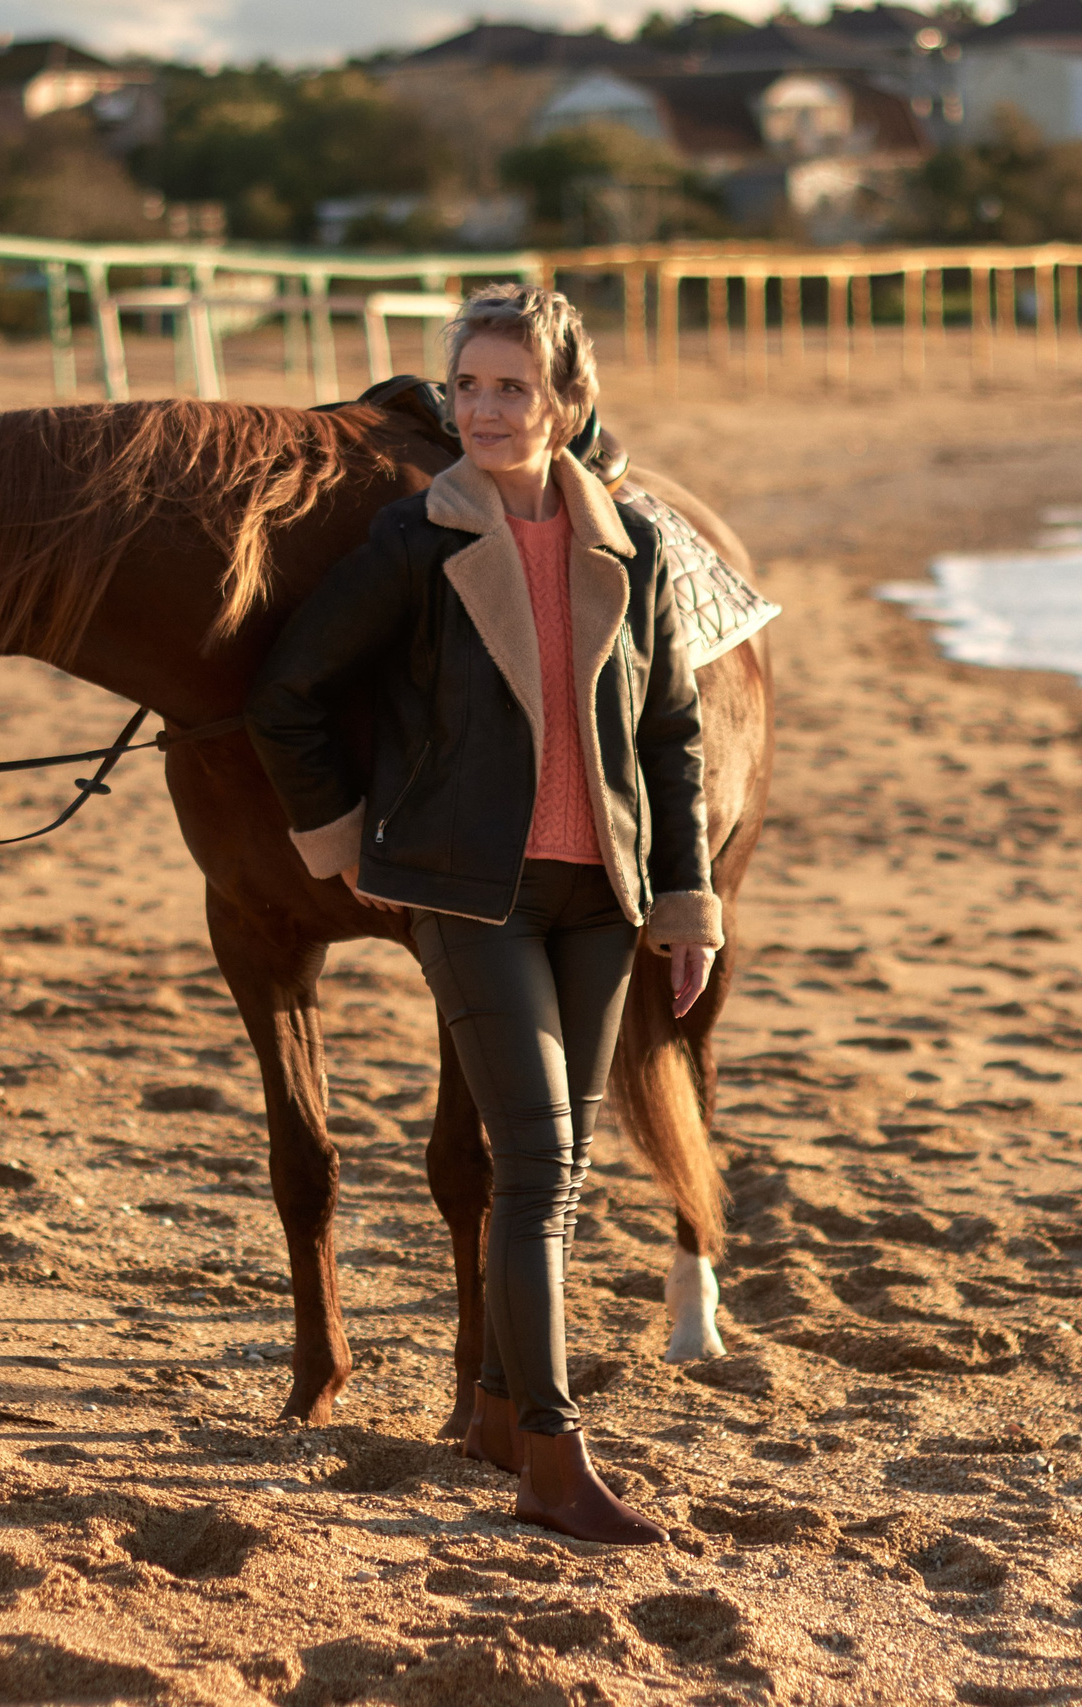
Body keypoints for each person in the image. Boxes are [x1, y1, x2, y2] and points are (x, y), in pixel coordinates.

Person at [247, 285, 720, 1547]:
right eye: (467, 387)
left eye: (512, 387)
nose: (486, 410)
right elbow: (286, 696)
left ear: (566, 403)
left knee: (552, 1165)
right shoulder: (416, 543)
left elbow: (669, 735)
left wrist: (685, 902)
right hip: (471, 894)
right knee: (539, 1164)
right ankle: (554, 1463)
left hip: (600, 895)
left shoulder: (634, 546)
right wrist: (344, 841)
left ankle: (505, 1411)